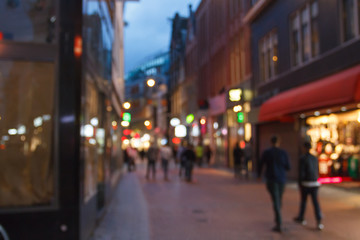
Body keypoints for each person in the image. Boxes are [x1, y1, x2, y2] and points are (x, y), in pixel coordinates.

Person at [258, 135, 290, 233]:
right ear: (279, 142)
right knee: (278, 200)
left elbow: (261, 164)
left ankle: (278, 222)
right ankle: (278, 220)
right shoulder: (283, 153)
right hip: (281, 180)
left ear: (271, 142)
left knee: (276, 200)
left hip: (271, 179)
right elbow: (288, 166)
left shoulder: (267, 153)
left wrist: (259, 175)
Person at [294, 141, 324, 230]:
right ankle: (319, 221)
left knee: (304, 201)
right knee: (315, 203)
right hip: (314, 183)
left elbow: (301, 172)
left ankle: (301, 217)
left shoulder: (302, 158)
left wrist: (300, 183)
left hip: (306, 183)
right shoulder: (314, 158)